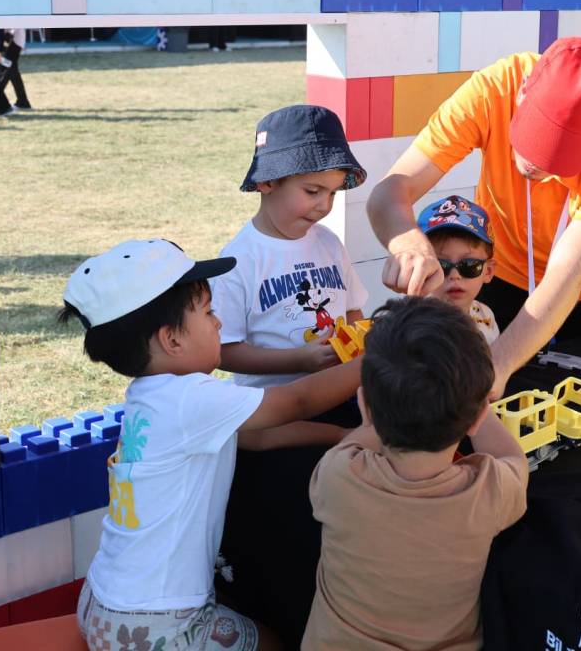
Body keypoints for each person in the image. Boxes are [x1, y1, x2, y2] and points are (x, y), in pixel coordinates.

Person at [59, 238, 361, 651]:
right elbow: (297, 401)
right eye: (209, 312)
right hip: (157, 623)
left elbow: (256, 437)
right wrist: (372, 358)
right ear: (172, 341)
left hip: (102, 601)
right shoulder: (190, 398)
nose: (219, 324)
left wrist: (341, 436)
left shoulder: (151, 398)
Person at [367, 37, 581, 398]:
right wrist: (409, 245)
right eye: (534, 137)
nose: (536, 164)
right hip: (505, 272)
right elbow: (389, 194)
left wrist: (496, 366)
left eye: (559, 155)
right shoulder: (494, 89)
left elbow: (567, 277)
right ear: (523, 93)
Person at [302, 296, 529, 650]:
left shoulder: (336, 475)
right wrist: (477, 408)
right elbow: (514, 459)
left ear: (365, 406)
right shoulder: (489, 492)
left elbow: (356, 440)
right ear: (478, 417)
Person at [213, 105, 367, 391]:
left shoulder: (329, 243)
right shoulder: (238, 260)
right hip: (274, 411)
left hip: (339, 392)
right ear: (267, 181)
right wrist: (297, 360)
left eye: (332, 192)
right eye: (312, 191)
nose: (325, 206)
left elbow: (353, 312)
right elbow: (223, 351)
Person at [417, 194, 500, 343]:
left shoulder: (486, 315)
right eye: (441, 265)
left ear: (488, 271)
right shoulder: (412, 328)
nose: (455, 275)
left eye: (469, 265)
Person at [0, 28, 32, 110]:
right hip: (15, 42)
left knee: (5, 73)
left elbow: (10, 31)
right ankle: (23, 102)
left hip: (13, 43)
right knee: (14, 75)